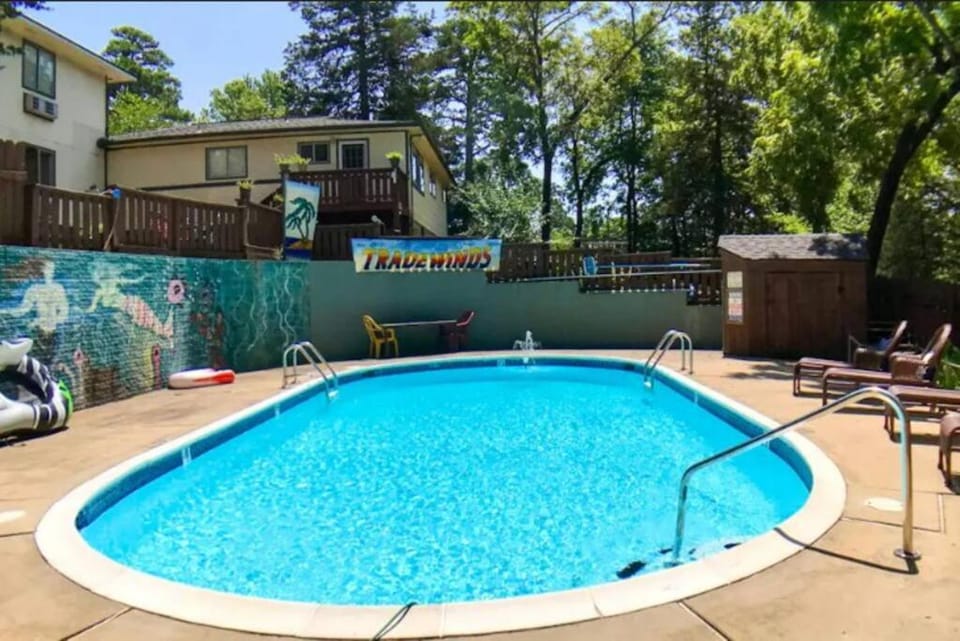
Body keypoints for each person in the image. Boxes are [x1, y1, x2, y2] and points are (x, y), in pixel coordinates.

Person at [0, 260, 68, 363]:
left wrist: (50, 320)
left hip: (54, 334)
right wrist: (4, 311)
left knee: (51, 364)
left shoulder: (58, 289)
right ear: (42, 271)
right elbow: (22, 310)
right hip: (39, 333)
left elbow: (64, 311)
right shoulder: (34, 290)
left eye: (51, 269)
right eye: (47, 269)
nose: (50, 271)